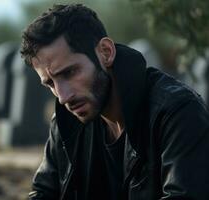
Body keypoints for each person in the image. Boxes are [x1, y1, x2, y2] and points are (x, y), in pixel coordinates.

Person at [20, 4, 209, 200]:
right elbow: (44, 193)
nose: (63, 96)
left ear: (106, 52)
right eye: (50, 83)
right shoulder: (65, 119)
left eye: (69, 72)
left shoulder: (176, 112)